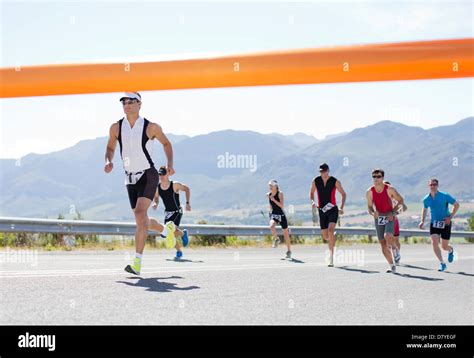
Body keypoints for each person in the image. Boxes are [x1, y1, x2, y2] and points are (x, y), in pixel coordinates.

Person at [104, 92, 174, 275]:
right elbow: (110, 147)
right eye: (123, 102)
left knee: (140, 213)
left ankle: (137, 262)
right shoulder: (116, 127)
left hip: (148, 175)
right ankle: (166, 229)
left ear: (139, 104)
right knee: (141, 219)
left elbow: (166, 144)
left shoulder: (150, 127)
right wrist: (108, 160)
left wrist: (170, 165)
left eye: (130, 101)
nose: (126, 104)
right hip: (129, 177)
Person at [366, 169, 405, 273]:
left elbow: (401, 201)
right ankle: (392, 265)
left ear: (382, 178)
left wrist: (392, 212)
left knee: (387, 236)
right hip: (378, 218)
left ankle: (395, 249)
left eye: (378, 176)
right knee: (382, 244)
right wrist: (373, 212)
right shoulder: (369, 192)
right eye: (374, 176)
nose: (376, 179)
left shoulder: (390, 189)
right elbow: (369, 207)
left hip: (389, 216)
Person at [150, 166, 191, 260]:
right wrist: (155, 203)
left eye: (163, 174)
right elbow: (156, 197)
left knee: (171, 231)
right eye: (160, 174)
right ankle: (181, 244)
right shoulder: (158, 187)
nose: (161, 176)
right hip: (168, 213)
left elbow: (187, 189)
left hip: (177, 211)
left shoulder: (174, 185)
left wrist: (187, 203)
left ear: (168, 174)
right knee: (169, 234)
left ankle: (179, 250)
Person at [310, 163, 346, 267]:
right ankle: (333, 237)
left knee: (330, 230)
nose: (323, 173)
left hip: (332, 210)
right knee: (326, 236)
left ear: (328, 171)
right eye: (321, 171)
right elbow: (312, 193)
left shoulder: (335, 181)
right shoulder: (315, 181)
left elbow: (343, 194)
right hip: (322, 211)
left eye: (324, 171)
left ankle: (331, 258)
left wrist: (341, 207)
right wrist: (312, 201)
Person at [419, 178, 460, 272]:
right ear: (428, 186)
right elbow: (425, 209)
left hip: (446, 223)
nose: (433, 186)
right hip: (434, 223)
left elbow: (457, 205)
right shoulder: (426, 199)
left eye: (434, 185)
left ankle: (450, 250)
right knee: (434, 242)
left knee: (444, 247)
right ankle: (442, 263)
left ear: (437, 186)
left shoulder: (444, 196)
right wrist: (422, 221)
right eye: (431, 185)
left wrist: (450, 217)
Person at [267, 180, 292, 259]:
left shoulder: (280, 193)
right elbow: (270, 205)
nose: (270, 187)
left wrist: (274, 199)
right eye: (269, 185)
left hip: (281, 215)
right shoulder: (269, 195)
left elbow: (281, 205)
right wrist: (270, 212)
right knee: (271, 226)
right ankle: (277, 239)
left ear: (275, 186)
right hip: (274, 214)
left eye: (271, 185)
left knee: (285, 233)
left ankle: (288, 251)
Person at [384, 181, 407, 264]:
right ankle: (394, 255)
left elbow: (404, 208)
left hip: (394, 220)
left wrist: (395, 213)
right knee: (387, 238)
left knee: (396, 240)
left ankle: (397, 254)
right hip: (384, 221)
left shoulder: (395, 197)